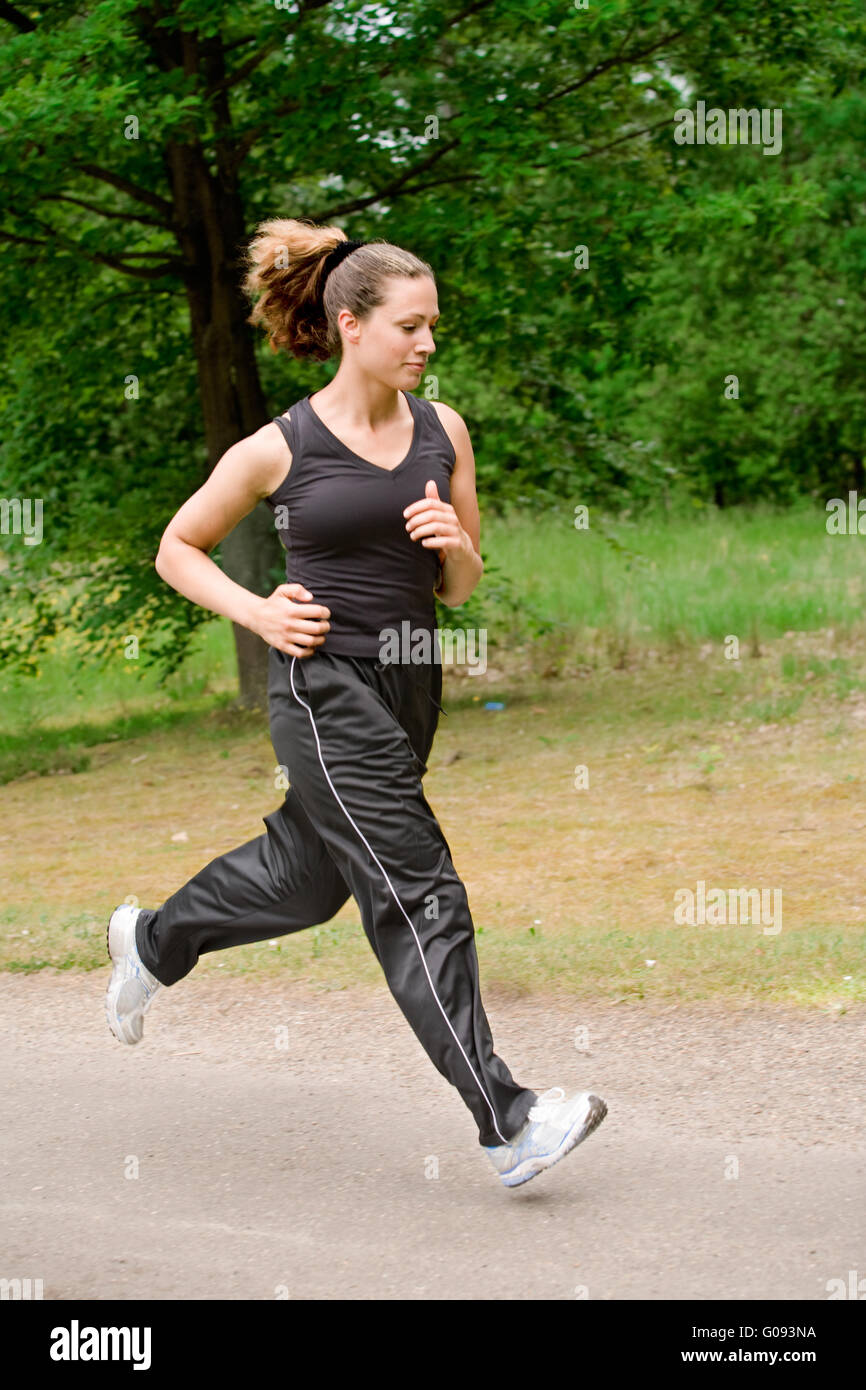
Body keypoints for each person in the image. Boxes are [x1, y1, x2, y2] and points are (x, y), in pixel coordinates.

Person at [104, 219, 607, 1188]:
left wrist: (447, 542)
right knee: (416, 885)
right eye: (409, 326)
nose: (426, 343)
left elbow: (459, 585)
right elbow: (176, 546)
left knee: (309, 877)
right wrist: (257, 611)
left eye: (432, 328)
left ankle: (154, 941)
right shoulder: (278, 447)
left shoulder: (442, 429)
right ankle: (505, 1119)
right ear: (350, 325)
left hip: (411, 682)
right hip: (321, 685)